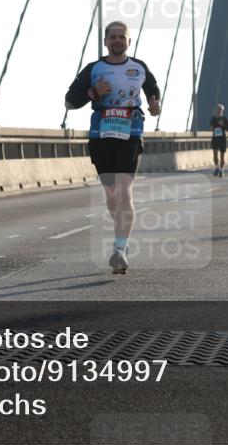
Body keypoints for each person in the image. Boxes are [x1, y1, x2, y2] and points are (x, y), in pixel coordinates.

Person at [65, 20, 161, 275]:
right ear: (106, 42)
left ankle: (121, 247)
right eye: (113, 37)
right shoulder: (94, 69)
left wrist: (154, 106)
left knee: (124, 187)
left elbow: (154, 93)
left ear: (129, 41)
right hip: (101, 132)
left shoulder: (139, 68)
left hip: (131, 131)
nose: (118, 41)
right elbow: (70, 101)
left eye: (122, 37)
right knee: (110, 194)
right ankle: (120, 235)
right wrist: (93, 92)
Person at [210, 104, 228, 178]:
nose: (219, 110)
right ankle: (217, 167)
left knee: (222, 156)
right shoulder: (213, 118)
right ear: (216, 110)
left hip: (222, 139)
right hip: (215, 138)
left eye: (220, 109)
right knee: (215, 155)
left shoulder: (225, 119)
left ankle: (222, 171)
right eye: (218, 109)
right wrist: (213, 127)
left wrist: (223, 125)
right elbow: (211, 128)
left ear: (222, 110)